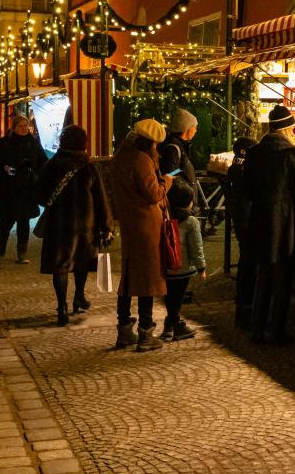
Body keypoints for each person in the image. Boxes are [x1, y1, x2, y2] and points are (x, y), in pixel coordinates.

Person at [244, 105, 295, 345]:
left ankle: (256, 328)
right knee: (282, 275)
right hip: (283, 221)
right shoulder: (290, 153)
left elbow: (248, 189)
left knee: (264, 273)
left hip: (261, 217)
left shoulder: (255, 152)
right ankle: (275, 331)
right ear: (287, 128)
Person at [35, 125, 113, 327]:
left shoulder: (51, 165)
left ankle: (61, 307)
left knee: (60, 266)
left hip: (58, 226)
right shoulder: (88, 167)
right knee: (82, 261)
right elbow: (101, 199)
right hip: (85, 225)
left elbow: (40, 195)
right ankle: (79, 296)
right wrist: (106, 226)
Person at [110, 119, 172, 352]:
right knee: (148, 279)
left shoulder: (121, 158)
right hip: (146, 226)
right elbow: (154, 194)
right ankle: (146, 333)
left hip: (129, 224)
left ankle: (124, 329)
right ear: (150, 142)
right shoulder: (141, 160)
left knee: (128, 278)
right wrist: (167, 181)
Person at [0, 114, 46, 264]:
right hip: (8, 186)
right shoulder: (4, 143)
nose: (23, 129)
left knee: (24, 221)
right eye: (20, 126)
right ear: (13, 127)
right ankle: (2, 247)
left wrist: (37, 173)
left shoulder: (33, 143)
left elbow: (42, 161)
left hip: (27, 187)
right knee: (6, 219)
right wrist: (3, 167)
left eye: (25, 126)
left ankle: (22, 252)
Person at [161, 184, 205, 342]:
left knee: (170, 297)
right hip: (183, 268)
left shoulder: (164, 217)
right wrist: (201, 267)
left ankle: (169, 326)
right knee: (177, 298)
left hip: (167, 267)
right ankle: (177, 326)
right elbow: (196, 247)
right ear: (188, 202)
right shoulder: (191, 221)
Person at [227, 136, 258, 323]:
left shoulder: (235, 169)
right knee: (249, 262)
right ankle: (246, 307)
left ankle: (243, 305)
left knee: (245, 260)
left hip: (241, 220)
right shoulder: (245, 172)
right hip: (248, 222)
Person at [163, 108, 201, 212]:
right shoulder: (173, 148)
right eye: (195, 127)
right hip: (181, 208)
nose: (196, 131)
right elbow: (171, 173)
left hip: (184, 205)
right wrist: (188, 195)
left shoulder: (180, 147)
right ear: (188, 129)